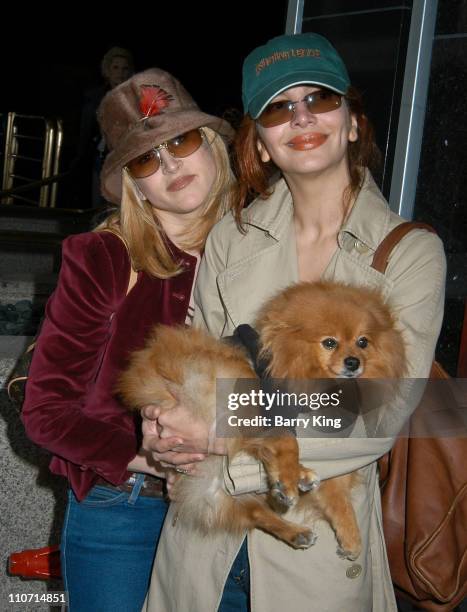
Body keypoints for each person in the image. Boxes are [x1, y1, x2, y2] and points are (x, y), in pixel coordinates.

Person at [140, 33, 447, 612]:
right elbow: (186, 360)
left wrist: (220, 435)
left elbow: (381, 409)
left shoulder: (408, 253)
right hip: (202, 545)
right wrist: (159, 423)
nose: (301, 116)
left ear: (353, 123)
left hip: (315, 551)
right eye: (278, 107)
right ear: (259, 144)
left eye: (320, 99)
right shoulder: (231, 236)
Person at [21, 67, 234, 612]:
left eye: (181, 141)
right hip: (126, 505)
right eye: (145, 158)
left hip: (233, 504)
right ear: (133, 183)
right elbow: (44, 410)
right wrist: (143, 455)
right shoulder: (106, 258)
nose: (169, 166)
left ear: (210, 142)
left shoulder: (261, 247)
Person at [74, 47, 135, 207]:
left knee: (120, 209)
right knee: (98, 208)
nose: (120, 73)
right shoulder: (94, 97)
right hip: (100, 160)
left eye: (124, 68)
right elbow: (85, 132)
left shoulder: (135, 98)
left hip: (126, 162)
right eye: (115, 68)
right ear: (107, 70)